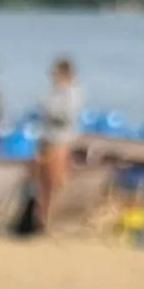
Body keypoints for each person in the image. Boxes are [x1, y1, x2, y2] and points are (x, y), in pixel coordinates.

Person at [34, 56, 80, 231]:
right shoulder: (53, 91)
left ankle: (52, 220)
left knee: (56, 181)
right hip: (47, 139)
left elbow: (66, 115)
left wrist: (49, 109)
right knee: (43, 182)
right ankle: (41, 220)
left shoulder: (71, 92)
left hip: (61, 140)